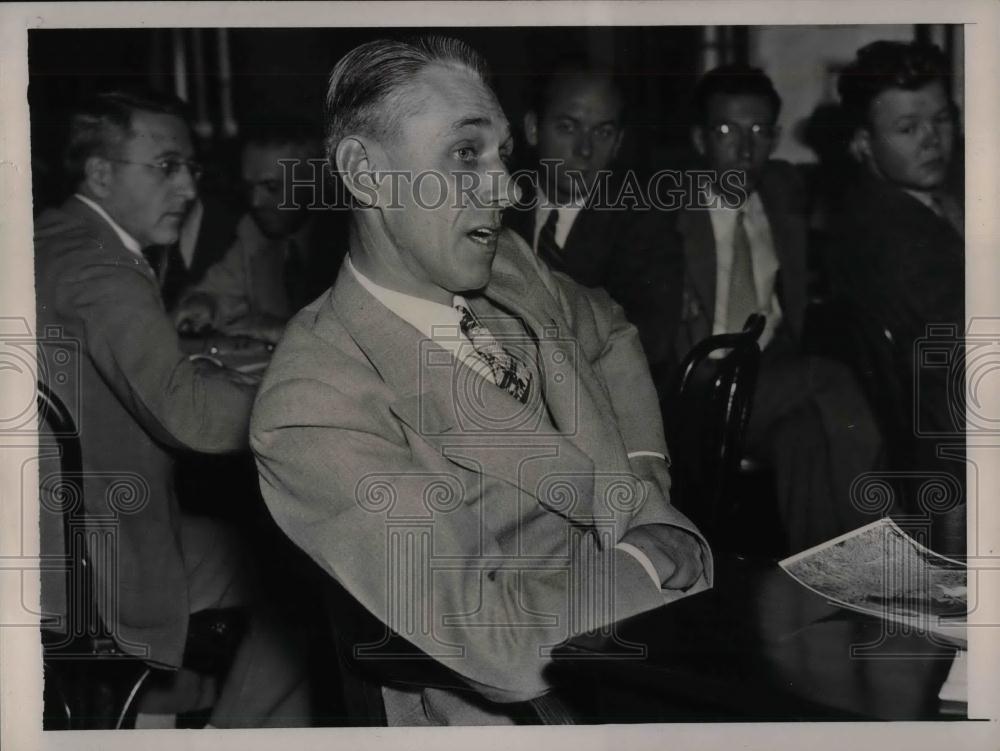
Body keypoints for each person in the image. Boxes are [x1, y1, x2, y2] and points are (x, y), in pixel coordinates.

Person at [251, 36, 712, 726]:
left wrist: (643, 483)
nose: (505, 188)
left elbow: (612, 331)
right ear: (365, 172)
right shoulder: (315, 403)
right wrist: (646, 561)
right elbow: (499, 645)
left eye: (502, 156)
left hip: (654, 654)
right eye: (466, 154)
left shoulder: (510, 269)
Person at [34, 89, 308, 727]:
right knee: (302, 579)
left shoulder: (52, 238)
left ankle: (180, 723)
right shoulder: (101, 268)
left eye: (191, 168)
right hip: (94, 562)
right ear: (100, 174)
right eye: (165, 166)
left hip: (53, 532)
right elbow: (190, 417)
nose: (188, 187)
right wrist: (304, 397)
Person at [674, 64, 883, 552]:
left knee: (805, 437)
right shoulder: (667, 209)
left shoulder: (782, 189)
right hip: (702, 387)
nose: (745, 149)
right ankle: (884, 544)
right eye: (727, 131)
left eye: (760, 131)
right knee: (832, 380)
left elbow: (849, 190)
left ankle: (829, 580)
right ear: (701, 139)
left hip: (771, 379)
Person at [830, 41, 965, 553]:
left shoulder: (929, 205)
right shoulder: (891, 235)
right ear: (863, 143)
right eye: (907, 129)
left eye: (942, 119)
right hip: (949, 466)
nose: (932, 140)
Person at [505, 62, 685, 397]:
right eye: (568, 127)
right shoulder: (499, 207)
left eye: (602, 132)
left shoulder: (644, 220)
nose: (585, 150)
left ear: (618, 143)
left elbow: (652, 342)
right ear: (533, 129)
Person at [174, 123, 346, 343]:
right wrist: (203, 303)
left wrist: (280, 330)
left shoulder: (355, 240)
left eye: (272, 187)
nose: (255, 202)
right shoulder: (254, 231)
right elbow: (217, 291)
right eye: (249, 187)